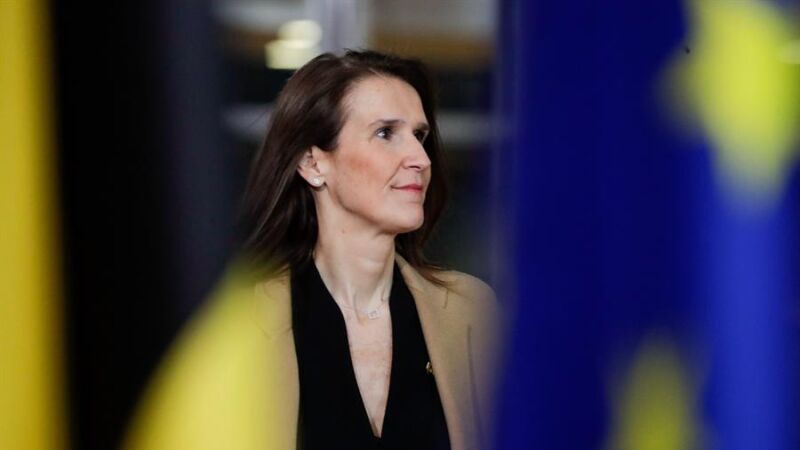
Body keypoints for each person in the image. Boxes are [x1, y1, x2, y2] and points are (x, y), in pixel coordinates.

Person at [123, 50, 500, 450]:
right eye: (386, 133)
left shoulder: (472, 312)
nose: (420, 159)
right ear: (312, 163)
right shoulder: (238, 323)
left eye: (419, 136)